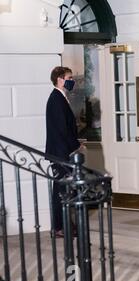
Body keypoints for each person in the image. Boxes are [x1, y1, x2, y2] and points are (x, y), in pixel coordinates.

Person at [45, 66, 83, 238]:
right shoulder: (56, 99)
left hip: (63, 152)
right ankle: (60, 227)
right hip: (61, 154)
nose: (72, 81)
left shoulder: (60, 97)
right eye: (69, 77)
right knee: (60, 190)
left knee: (64, 189)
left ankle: (64, 225)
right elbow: (61, 130)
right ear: (60, 79)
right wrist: (74, 146)